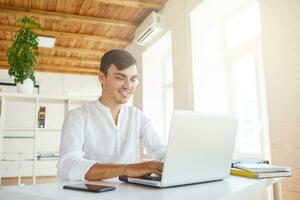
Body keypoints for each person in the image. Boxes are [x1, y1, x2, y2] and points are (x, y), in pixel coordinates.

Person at [57, 49, 166, 181]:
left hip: (130, 194)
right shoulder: (77, 117)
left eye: (133, 79)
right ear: (102, 77)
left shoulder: (138, 118)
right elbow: (68, 165)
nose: (128, 85)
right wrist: (128, 169)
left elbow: (161, 151)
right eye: (120, 77)